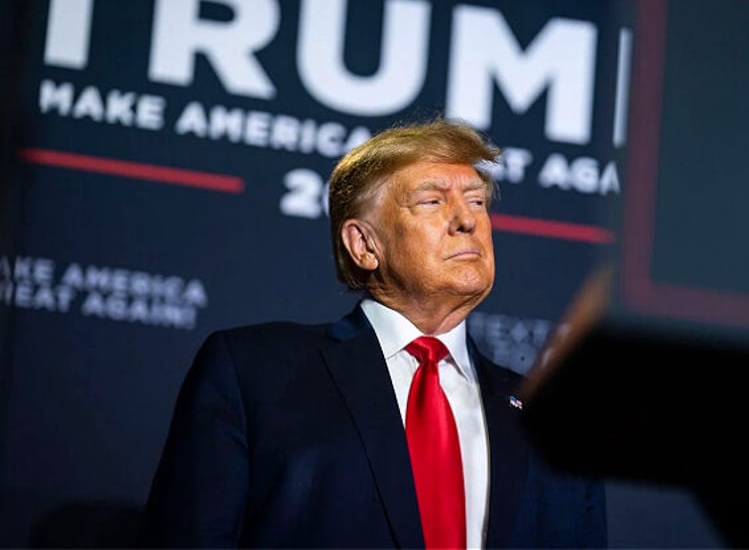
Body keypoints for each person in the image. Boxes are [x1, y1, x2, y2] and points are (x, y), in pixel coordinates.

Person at [137, 118, 607, 549]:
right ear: (364, 245)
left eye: (477, 201)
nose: (468, 220)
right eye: (432, 201)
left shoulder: (554, 422)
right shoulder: (253, 373)